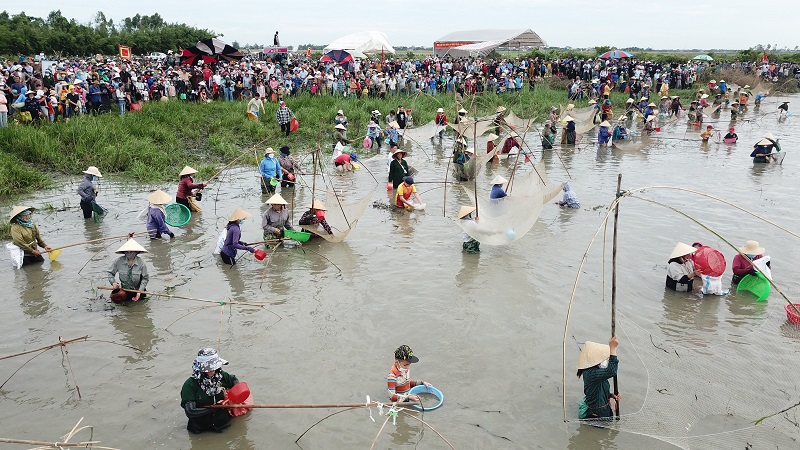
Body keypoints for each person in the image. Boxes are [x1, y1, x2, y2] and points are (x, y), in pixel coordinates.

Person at [180, 348, 240, 434]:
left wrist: (235, 396)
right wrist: (214, 408)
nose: (213, 370)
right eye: (210, 368)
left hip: (223, 424)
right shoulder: (190, 385)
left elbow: (234, 380)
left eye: (215, 367)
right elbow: (190, 412)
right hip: (200, 428)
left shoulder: (220, 376)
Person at [576, 336, 620, 420]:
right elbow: (612, 371)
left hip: (602, 409)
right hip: (597, 415)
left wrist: (611, 395)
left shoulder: (596, 371)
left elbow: (599, 388)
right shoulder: (591, 373)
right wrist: (613, 349)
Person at [107, 239, 149, 303]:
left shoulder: (141, 263)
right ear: (124, 252)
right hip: (124, 292)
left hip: (138, 291)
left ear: (136, 252)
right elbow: (110, 273)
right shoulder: (119, 261)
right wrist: (113, 283)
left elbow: (145, 278)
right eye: (127, 251)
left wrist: (139, 291)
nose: (129, 253)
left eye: (131, 251)